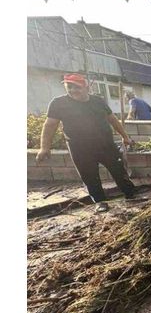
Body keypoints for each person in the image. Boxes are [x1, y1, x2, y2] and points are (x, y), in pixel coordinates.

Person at [36, 73, 136, 213]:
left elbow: (112, 120)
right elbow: (50, 125)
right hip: (79, 148)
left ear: (86, 87)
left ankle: (130, 194)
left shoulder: (98, 101)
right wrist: (44, 147)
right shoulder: (59, 104)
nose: (72, 90)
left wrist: (125, 137)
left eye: (77, 87)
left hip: (105, 145)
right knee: (89, 175)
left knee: (119, 170)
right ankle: (100, 201)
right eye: (69, 87)